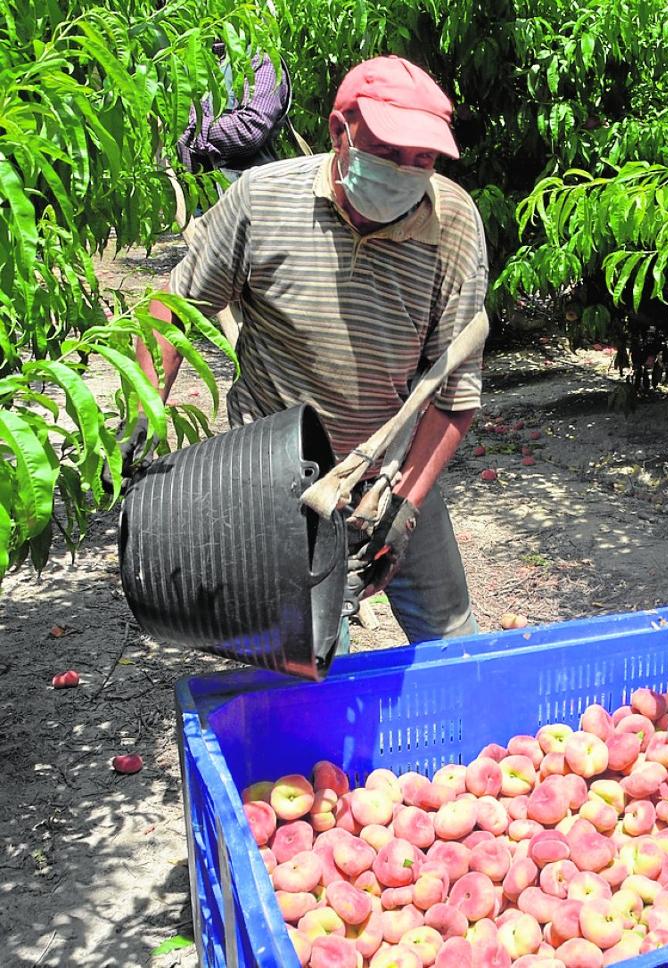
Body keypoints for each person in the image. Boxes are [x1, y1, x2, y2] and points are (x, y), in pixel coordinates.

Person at [131, 55, 488, 648]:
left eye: (421, 159)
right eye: (387, 151)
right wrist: (143, 411)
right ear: (338, 132)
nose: (405, 171)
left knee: (453, 639)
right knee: (311, 653)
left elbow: (455, 394)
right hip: (276, 477)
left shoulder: (451, 222)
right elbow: (176, 307)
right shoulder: (263, 200)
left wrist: (405, 506)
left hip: (389, 467)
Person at [175, 44, 292, 183]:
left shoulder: (260, 60)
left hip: (244, 191)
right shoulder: (184, 56)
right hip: (190, 190)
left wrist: (182, 130)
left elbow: (249, 129)